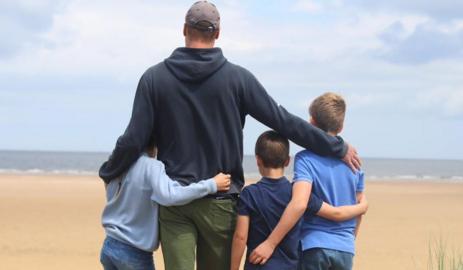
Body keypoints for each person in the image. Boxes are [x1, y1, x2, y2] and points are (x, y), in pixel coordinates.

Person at [99, 1, 361, 269]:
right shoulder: (237, 79)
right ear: (218, 33)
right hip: (221, 203)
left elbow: (134, 139)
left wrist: (110, 170)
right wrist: (335, 146)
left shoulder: (154, 78)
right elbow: (282, 121)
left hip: (175, 201)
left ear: (184, 29)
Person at [248, 93, 365, 270]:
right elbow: (358, 210)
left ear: (310, 124)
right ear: (340, 127)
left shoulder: (305, 159)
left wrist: (270, 243)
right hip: (345, 247)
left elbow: (299, 204)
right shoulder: (354, 163)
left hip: (314, 244)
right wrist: (348, 241)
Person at [230, 131, 367, 270]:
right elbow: (334, 213)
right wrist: (362, 207)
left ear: (258, 160)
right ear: (288, 161)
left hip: (257, 265)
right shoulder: (299, 195)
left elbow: (240, 237)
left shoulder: (249, 194)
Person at [100, 137, 231, 270]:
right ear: (155, 146)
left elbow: (109, 190)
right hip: (133, 252)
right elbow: (171, 195)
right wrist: (211, 185)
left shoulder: (119, 165)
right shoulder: (152, 166)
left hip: (109, 246)